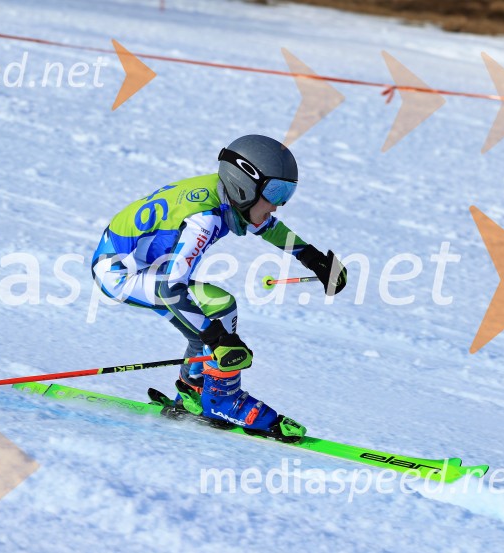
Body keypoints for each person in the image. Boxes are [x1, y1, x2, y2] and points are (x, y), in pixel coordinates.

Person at [91, 135, 347, 441]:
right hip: (119, 272)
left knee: (201, 320)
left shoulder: (225, 194)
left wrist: (312, 258)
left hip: (145, 265)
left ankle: (193, 389)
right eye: (276, 191)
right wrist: (219, 339)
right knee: (218, 307)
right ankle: (222, 399)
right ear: (244, 185)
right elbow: (171, 289)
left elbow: (267, 226)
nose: (280, 204)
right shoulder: (204, 218)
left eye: (287, 192)